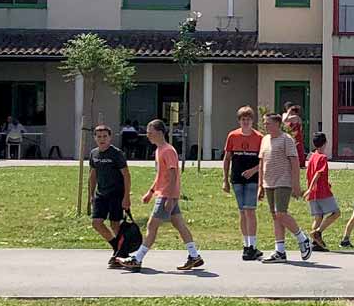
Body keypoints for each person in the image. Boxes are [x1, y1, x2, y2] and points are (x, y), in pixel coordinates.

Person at [125, 119, 203, 272]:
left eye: (150, 132)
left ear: (160, 133)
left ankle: (137, 258)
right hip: (163, 193)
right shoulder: (159, 150)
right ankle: (194, 256)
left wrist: (170, 198)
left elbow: (174, 175)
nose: (147, 135)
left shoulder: (168, 151)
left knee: (151, 226)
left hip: (167, 195)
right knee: (179, 224)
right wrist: (151, 191)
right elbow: (161, 175)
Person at [257, 112, 313, 262]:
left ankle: (303, 239)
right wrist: (260, 185)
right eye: (264, 123)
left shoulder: (286, 140)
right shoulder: (265, 140)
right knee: (276, 217)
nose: (265, 126)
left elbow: (295, 162)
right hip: (268, 182)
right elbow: (262, 163)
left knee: (281, 213)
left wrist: (296, 184)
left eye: (268, 123)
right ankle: (280, 251)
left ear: (277, 124)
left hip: (283, 181)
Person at [88, 124, 134, 269]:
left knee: (115, 224)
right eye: (99, 136)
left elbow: (126, 175)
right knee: (96, 223)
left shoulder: (116, 154)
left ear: (110, 138)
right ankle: (118, 248)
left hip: (116, 195)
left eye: (105, 136)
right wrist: (90, 194)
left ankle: (122, 253)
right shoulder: (94, 154)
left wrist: (126, 197)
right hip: (101, 195)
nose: (102, 139)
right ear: (95, 138)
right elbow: (92, 174)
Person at [222, 106, 265, 261]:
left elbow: (263, 161)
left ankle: (252, 245)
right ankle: (246, 244)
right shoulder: (232, 136)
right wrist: (225, 180)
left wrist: (254, 172)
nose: (246, 122)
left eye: (248, 119)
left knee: (250, 211)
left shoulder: (259, 137)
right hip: (237, 179)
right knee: (242, 212)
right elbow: (227, 158)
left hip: (252, 179)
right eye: (243, 119)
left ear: (252, 121)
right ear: (239, 121)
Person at [305, 133, 338, 251]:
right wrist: (311, 188)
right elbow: (318, 173)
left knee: (318, 217)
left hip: (313, 193)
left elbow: (309, 173)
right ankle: (317, 233)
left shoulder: (312, 157)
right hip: (322, 192)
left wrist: (310, 188)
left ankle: (315, 243)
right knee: (336, 213)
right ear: (325, 143)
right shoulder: (322, 157)